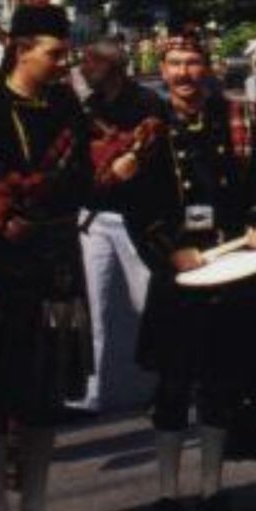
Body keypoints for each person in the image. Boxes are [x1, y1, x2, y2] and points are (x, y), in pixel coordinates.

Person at [127, 28, 256, 511]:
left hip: (231, 268)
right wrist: (170, 252)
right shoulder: (148, 127)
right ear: (162, 67)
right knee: (173, 387)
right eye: (174, 63)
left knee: (220, 384)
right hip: (179, 273)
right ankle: (167, 495)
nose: (183, 74)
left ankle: (212, 490)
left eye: (193, 63)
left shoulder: (238, 118)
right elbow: (139, 208)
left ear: (209, 68)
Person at [0, 1, 94, 511]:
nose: (63, 65)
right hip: (3, 263)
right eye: (54, 54)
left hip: (57, 258)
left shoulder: (65, 105)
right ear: (20, 49)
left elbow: (83, 176)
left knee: (45, 392)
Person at [72, 38, 163, 415]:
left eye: (92, 62)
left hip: (134, 218)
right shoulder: (87, 104)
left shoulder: (146, 103)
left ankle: (165, 383)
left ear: (113, 66)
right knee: (96, 305)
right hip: (94, 218)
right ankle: (90, 389)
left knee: (149, 305)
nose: (84, 68)